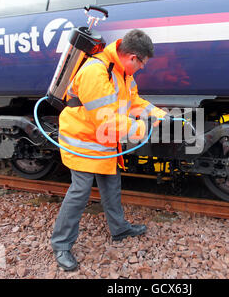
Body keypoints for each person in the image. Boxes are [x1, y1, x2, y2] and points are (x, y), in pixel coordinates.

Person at [51, 29, 169, 271]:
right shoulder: (96, 71)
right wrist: (142, 128)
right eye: (142, 64)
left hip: (103, 141)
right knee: (80, 190)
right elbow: (107, 121)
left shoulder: (121, 73)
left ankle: (119, 229)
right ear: (133, 57)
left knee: (111, 184)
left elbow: (133, 103)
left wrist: (159, 116)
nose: (142, 69)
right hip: (82, 140)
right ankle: (61, 244)